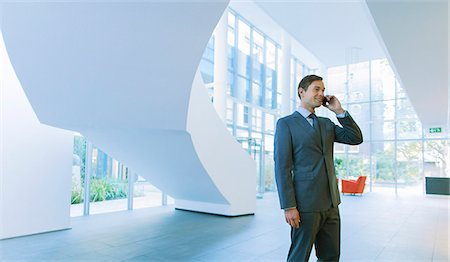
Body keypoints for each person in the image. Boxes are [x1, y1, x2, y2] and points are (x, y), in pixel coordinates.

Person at [274, 74, 363, 262]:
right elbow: (282, 167)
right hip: (305, 204)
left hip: (331, 202)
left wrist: (339, 111)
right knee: (299, 256)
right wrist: (289, 206)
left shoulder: (326, 124)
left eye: (323, 90)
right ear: (301, 92)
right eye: (316, 89)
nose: (321, 94)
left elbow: (355, 138)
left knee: (331, 256)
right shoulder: (286, 123)